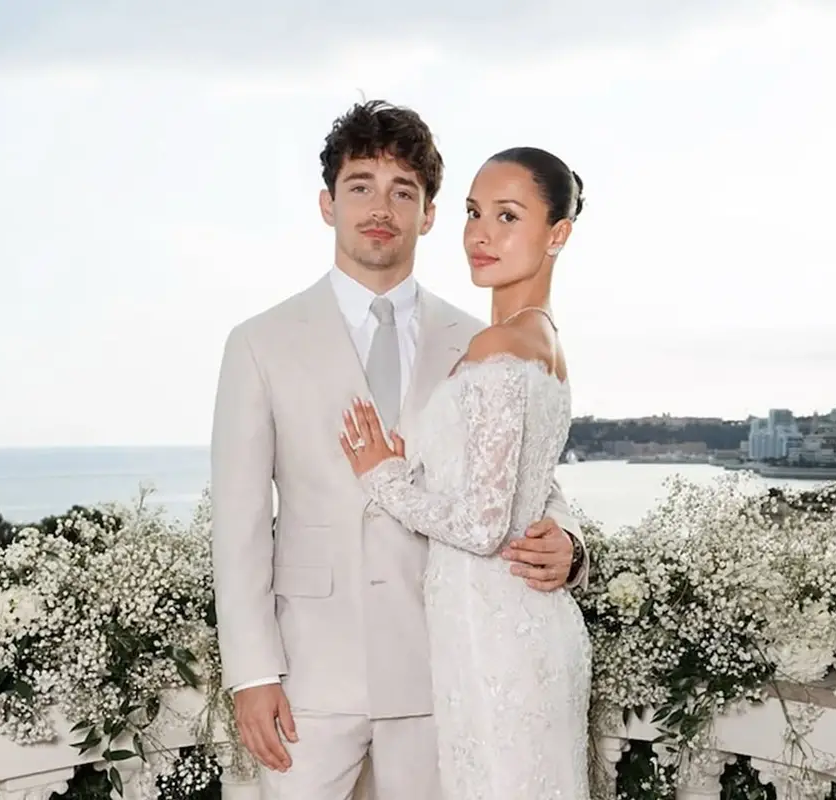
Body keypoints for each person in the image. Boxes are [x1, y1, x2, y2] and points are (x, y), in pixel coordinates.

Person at [209, 101, 589, 800]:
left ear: (430, 213)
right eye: (360, 187)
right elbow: (235, 524)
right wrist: (252, 673)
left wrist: (570, 544)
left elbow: (528, 476)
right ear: (328, 204)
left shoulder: (481, 335)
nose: (380, 208)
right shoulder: (259, 342)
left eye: (402, 191)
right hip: (311, 677)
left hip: (445, 673)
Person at [339, 146, 591, 799]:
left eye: (508, 216)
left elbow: (482, 524)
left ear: (556, 233)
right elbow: (527, 486)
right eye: (474, 212)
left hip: (494, 637)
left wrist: (384, 475)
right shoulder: (545, 344)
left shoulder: (501, 346)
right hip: (515, 624)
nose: (481, 234)